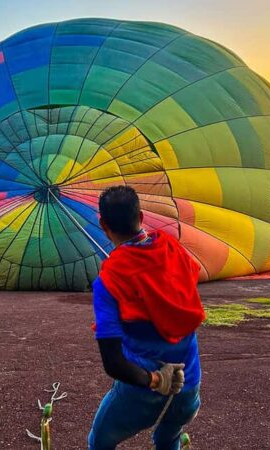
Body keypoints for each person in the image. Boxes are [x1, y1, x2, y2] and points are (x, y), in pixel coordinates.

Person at [89, 186, 205, 450]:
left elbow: (113, 362)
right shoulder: (174, 250)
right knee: (168, 437)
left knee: (100, 441)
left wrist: (156, 380)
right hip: (188, 386)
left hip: (142, 392)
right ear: (141, 217)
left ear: (103, 224)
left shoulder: (109, 280)